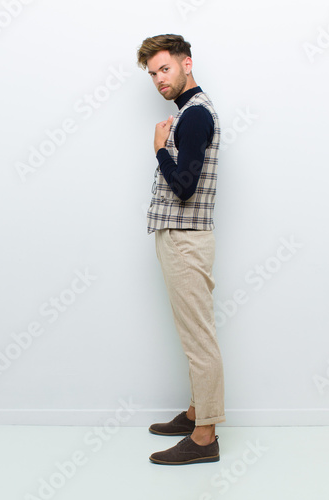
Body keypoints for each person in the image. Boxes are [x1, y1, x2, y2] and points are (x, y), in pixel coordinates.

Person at [137, 34, 225, 465]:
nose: (158, 79)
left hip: (186, 240)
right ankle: (196, 413)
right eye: (153, 73)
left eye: (164, 68)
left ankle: (205, 437)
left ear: (186, 64)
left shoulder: (193, 117)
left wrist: (158, 150)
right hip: (181, 239)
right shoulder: (190, 114)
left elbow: (184, 188)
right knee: (193, 335)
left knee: (199, 339)